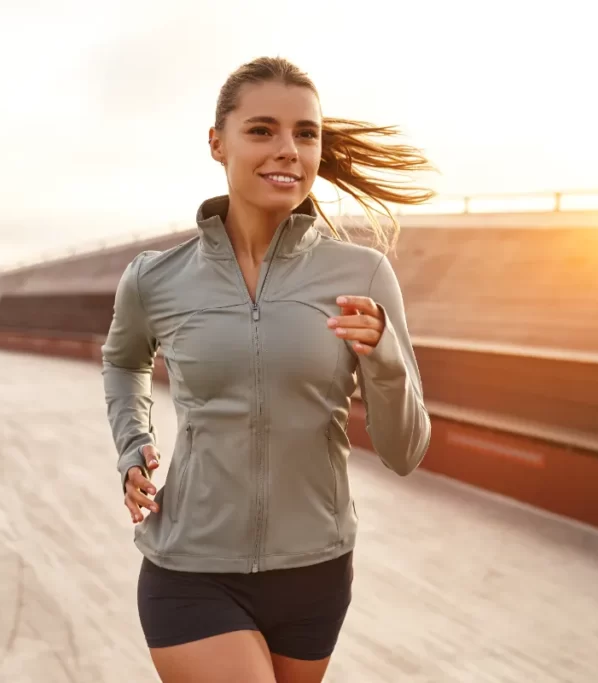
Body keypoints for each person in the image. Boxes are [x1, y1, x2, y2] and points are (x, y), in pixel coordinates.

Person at [101, 56, 434, 683]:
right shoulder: (155, 278)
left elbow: (405, 451)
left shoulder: (362, 276)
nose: (288, 150)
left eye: (305, 133)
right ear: (217, 142)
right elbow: (123, 360)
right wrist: (132, 442)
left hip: (316, 570)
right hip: (190, 567)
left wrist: (384, 357)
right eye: (262, 130)